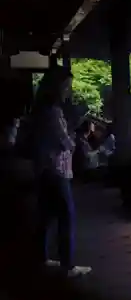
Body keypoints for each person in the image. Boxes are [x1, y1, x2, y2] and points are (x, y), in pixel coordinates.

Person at [31, 66, 91, 278]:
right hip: (56, 170)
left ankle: (42, 257)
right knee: (66, 216)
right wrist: (75, 136)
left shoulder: (40, 109)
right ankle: (68, 266)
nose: (68, 90)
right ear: (56, 87)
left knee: (46, 216)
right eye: (66, 86)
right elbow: (64, 143)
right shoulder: (53, 111)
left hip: (43, 168)